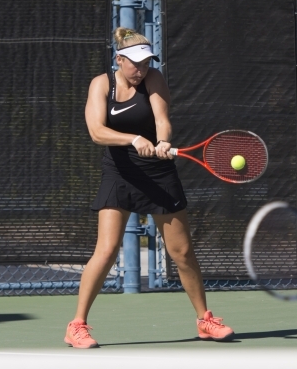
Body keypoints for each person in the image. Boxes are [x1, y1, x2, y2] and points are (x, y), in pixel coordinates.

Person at [64, 27, 234, 348]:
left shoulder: (153, 78)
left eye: (146, 63)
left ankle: (205, 320)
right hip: (120, 172)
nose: (140, 70)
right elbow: (97, 132)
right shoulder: (102, 85)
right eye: (135, 64)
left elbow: (162, 118)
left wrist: (164, 140)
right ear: (119, 59)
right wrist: (134, 139)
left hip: (158, 171)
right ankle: (77, 325)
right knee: (106, 251)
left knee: (182, 252)